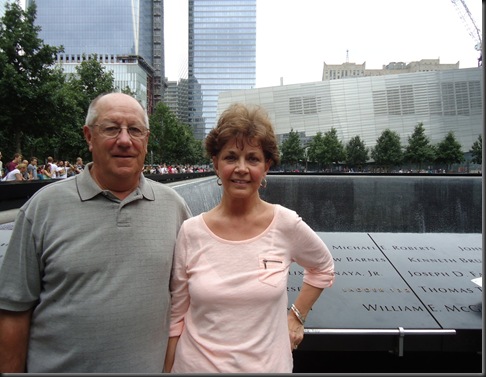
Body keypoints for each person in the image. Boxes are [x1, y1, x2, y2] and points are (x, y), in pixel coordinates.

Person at [0, 92, 192, 373]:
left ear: (146, 140)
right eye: (112, 128)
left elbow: (185, 300)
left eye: (135, 130)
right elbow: (13, 312)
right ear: (89, 137)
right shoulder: (42, 208)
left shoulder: (174, 207)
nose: (125, 141)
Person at [164, 103, 335, 373]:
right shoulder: (191, 232)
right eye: (231, 157)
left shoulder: (286, 224)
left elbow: (323, 267)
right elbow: (177, 316)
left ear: (266, 166)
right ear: (216, 164)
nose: (241, 168)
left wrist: (297, 316)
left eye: (253, 159)